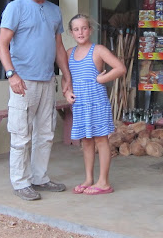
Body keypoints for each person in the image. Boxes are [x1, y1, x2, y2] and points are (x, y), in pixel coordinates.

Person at [0, 0, 72, 201]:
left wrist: (66, 75)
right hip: (23, 82)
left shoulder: (54, 10)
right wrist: (12, 75)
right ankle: (20, 183)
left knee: (46, 132)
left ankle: (39, 178)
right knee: (21, 134)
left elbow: (58, 46)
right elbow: (2, 45)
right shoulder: (15, 8)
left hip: (47, 80)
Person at [64, 14, 126, 195]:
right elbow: (66, 79)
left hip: (97, 102)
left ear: (90, 30)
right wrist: (67, 92)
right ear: (71, 32)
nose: (80, 32)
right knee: (87, 141)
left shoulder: (98, 50)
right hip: (80, 105)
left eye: (84, 28)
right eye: (76, 29)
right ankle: (89, 178)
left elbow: (120, 68)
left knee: (101, 140)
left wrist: (102, 78)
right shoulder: (69, 53)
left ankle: (104, 182)